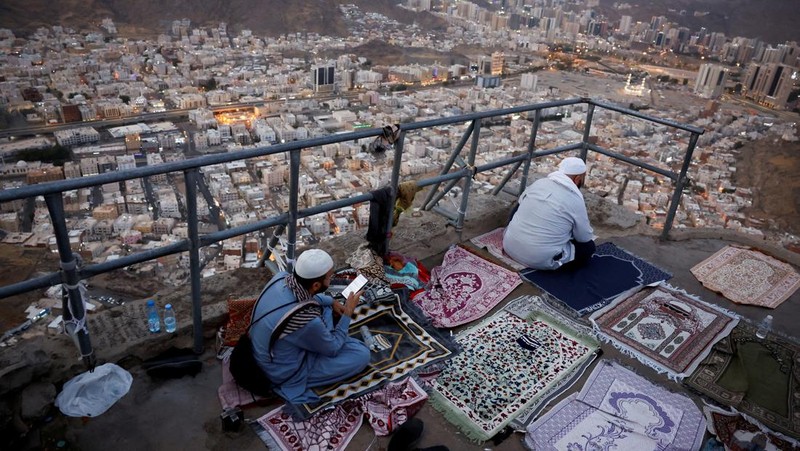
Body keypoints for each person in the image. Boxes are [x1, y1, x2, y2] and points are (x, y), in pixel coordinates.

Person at [249, 249, 371, 404]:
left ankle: (323, 335)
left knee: (325, 306)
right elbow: (332, 349)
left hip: (265, 349)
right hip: (280, 370)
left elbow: (308, 299)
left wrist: (332, 302)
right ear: (315, 284)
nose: (331, 279)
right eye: (329, 278)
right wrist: (347, 313)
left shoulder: (281, 278)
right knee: (361, 354)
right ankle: (305, 369)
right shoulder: (306, 320)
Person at [503, 156, 596, 270]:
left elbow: (517, 208)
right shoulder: (575, 198)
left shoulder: (539, 183)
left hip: (508, 245)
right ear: (577, 179)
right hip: (539, 259)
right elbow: (584, 238)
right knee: (589, 247)